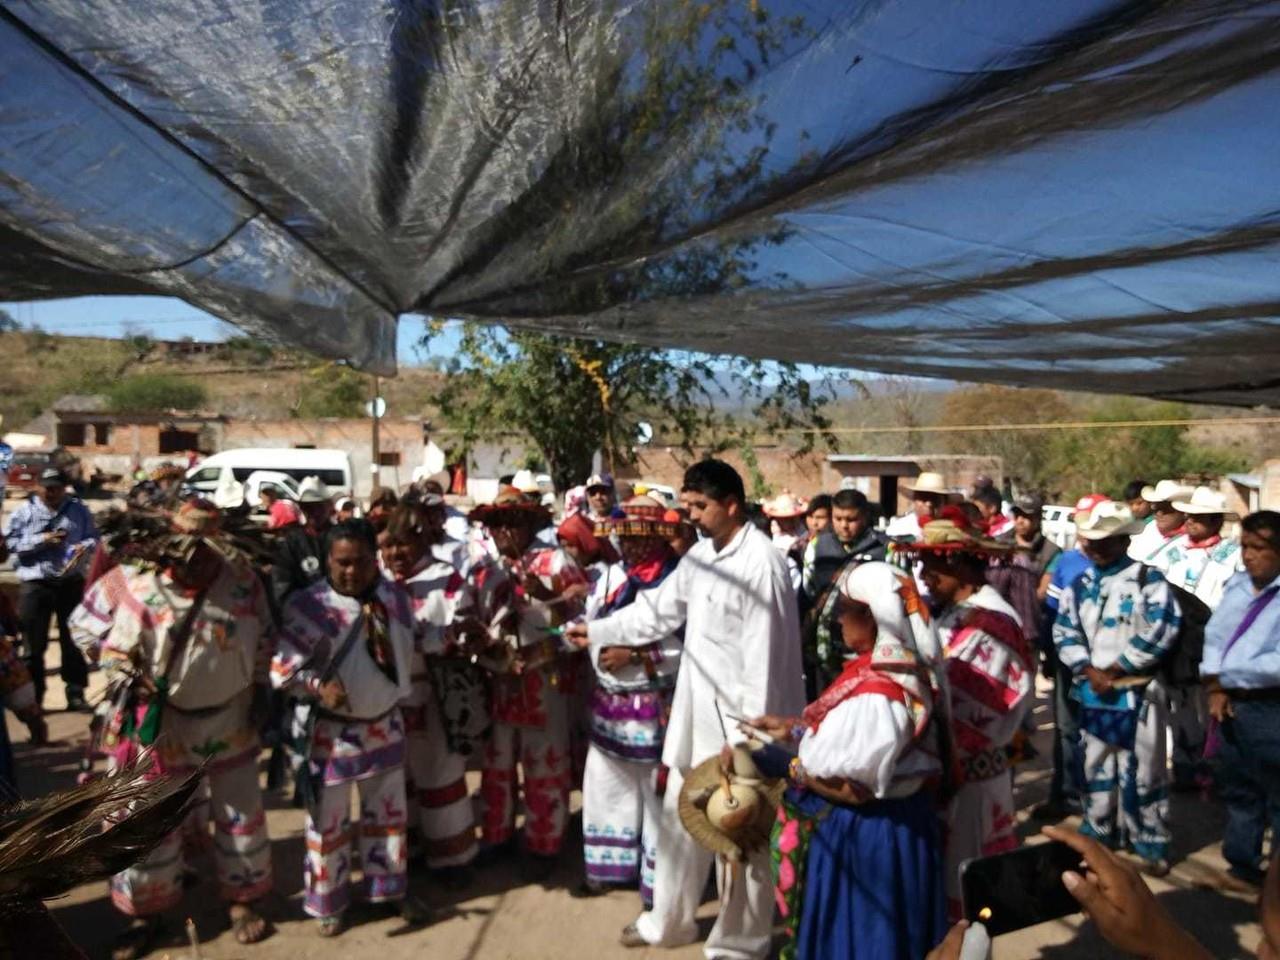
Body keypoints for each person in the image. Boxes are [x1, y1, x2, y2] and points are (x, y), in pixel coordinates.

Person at [568, 458, 804, 960]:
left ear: (732, 505)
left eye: (700, 506)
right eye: (688, 504)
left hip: (743, 733)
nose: (691, 515)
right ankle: (667, 924)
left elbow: (765, 659)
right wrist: (600, 630)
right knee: (680, 829)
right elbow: (657, 610)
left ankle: (740, 944)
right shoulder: (701, 557)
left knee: (741, 841)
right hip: (695, 721)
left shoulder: (760, 563)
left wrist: (746, 745)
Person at [74, 499, 274, 958]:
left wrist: (261, 688)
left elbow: (264, 640)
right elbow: (113, 655)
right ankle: (147, 911)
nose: (201, 561)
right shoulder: (143, 589)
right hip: (162, 728)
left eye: (209, 551)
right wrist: (131, 680)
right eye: (191, 551)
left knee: (239, 814)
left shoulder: (243, 583)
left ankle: (244, 899)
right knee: (149, 821)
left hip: (232, 722)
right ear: (173, 547)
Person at [754, 562, 949, 959]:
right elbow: (857, 741)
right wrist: (792, 730)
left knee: (863, 940)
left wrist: (785, 765)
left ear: (873, 618)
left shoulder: (879, 692)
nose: (838, 617)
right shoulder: (896, 672)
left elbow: (852, 787)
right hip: (903, 829)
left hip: (871, 839)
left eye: (845, 608)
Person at [272, 519, 421, 936]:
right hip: (330, 737)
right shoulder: (307, 605)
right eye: (341, 563)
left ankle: (389, 890)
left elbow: (411, 651)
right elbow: (281, 668)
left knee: (388, 818)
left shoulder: (395, 598)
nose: (350, 572)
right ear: (327, 562)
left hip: (384, 727)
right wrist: (318, 686)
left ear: (375, 560)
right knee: (327, 824)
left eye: (359, 562)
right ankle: (328, 902)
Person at [899, 513, 1033, 917]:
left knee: (968, 893)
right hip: (952, 774)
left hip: (970, 779)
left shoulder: (991, 624)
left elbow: (964, 706)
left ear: (957, 566)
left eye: (931, 566)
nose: (923, 575)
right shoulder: (954, 613)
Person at [1054, 500, 1181, 875]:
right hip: (1094, 693)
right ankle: (1100, 832)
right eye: (1091, 541)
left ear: (1124, 541)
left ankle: (1149, 840)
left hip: (1139, 693)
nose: (1096, 548)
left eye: (1105, 541)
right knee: (1095, 764)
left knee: (1145, 767)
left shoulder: (1150, 580)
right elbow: (1064, 631)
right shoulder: (1078, 586)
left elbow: (1163, 627)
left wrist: (1119, 666)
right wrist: (1087, 667)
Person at [574, 496, 682, 906]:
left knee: (655, 793)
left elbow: (684, 645)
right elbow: (595, 619)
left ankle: (657, 881)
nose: (631, 546)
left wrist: (634, 655)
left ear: (657, 538)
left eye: (640, 538)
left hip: (651, 704)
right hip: (608, 704)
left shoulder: (673, 580)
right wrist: (593, 647)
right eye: (625, 537)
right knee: (604, 785)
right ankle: (607, 867)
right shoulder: (610, 576)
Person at [469, 487, 585, 868]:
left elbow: (583, 618)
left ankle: (544, 843)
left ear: (529, 524)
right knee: (497, 765)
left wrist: (548, 597)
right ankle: (497, 836)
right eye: (497, 524)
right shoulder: (485, 570)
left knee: (545, 765)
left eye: (512, 522)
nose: (504, 531)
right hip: (500, 681)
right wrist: (486, 648)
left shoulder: (556, 562)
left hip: (544, 680)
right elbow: (474, 621)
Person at [379, 500, 484, 876]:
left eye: (404, 543)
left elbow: (467, 630)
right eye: (389, 545)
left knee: (440, 774)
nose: (395, 553)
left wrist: (434, 639)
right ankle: (408, 854)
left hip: (437, 696)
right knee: (397, 780)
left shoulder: (448, 580)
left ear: (423, 541)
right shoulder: (377, 584)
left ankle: (454, 858)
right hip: (388, 702)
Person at [1201, 510, 1280, 888]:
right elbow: (1215, 636)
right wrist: (1216, 685)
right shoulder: (1237, 585)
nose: (1249, 555)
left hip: (1271, 705)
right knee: (1240, 785)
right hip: (1232, 702)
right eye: (1245, 546)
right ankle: (1243, 864)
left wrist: (1227, 676)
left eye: (1259, 548)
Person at [1157, 486, 1242, 791]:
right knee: (1178, 703)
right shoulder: (1171, 551)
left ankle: (1212, 768)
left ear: (1217, 521)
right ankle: (1183, 766)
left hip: (1215, 639)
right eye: (1190, 516)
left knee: (1209, 704)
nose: (1191, 521)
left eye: (1201, 517)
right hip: (1176, 640)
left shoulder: (1234, 556)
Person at [1033, 492, 1109, 822]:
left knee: (1102, 732)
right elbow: (1049, 612)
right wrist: (1050, 656)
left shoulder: (1122, 568)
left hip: (1108, 666)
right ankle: (1065, 794)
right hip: (1068, 662)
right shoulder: (1065, 562)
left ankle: (1102, 803)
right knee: (1067, 729)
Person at [4, 468, 97, 710]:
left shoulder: (79, 510)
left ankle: (75, 693)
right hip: (36, 585)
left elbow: (94, 538)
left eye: (57, 487)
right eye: (47, 487)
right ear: (37, 486)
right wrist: (41, 540)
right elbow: (9, 545)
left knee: (73, 642)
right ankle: (35, 698)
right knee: (33, 646)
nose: (52, 492)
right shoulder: (23, 513)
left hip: (70, 583)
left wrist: (82, 548)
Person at [800, 488, 889, 697]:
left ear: (865, 517)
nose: (844, 525)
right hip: (826, 650)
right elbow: (809, 589)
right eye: (838, 518)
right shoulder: (817, 547)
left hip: (867, 650)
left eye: (851, 519)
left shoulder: (884, 550)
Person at [1128, 479, 1194, 563]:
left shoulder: (1193, 537)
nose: (1159, 513)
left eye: (1166, 509)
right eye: (1156, 508)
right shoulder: (1141, 534)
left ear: (1182, 510)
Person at [885, 471, 949, 540]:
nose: (929, 504)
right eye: (924, 497)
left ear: (944, 502)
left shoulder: (953, 531)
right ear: (914, 499)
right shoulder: (898, 529)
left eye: (935, 498)